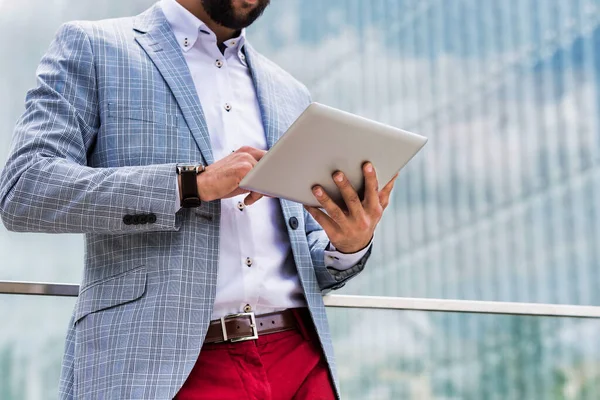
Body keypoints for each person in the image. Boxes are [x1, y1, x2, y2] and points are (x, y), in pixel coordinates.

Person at [0, 0, 397, 398]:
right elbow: (24, 187)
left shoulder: (289, 92)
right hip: (164, 370)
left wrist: (347, 245)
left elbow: (305, 251)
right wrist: (191, 184)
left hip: (301, 359)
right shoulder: (95, 47)